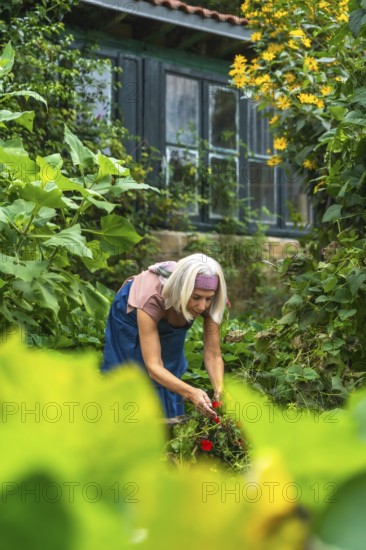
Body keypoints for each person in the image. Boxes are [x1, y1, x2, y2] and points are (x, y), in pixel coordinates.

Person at [101, 253, 227, 419]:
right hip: (131, 319)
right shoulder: (150, 298)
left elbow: (213, 354)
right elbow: (154, 367)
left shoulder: (213, 297)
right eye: (196, 297)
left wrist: (220, 390)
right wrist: (190, 392)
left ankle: (170, 428)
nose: (202, 306)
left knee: (171, 369)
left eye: (208, 299)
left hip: (171, 313)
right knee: (133, 373)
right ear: (183, 290)